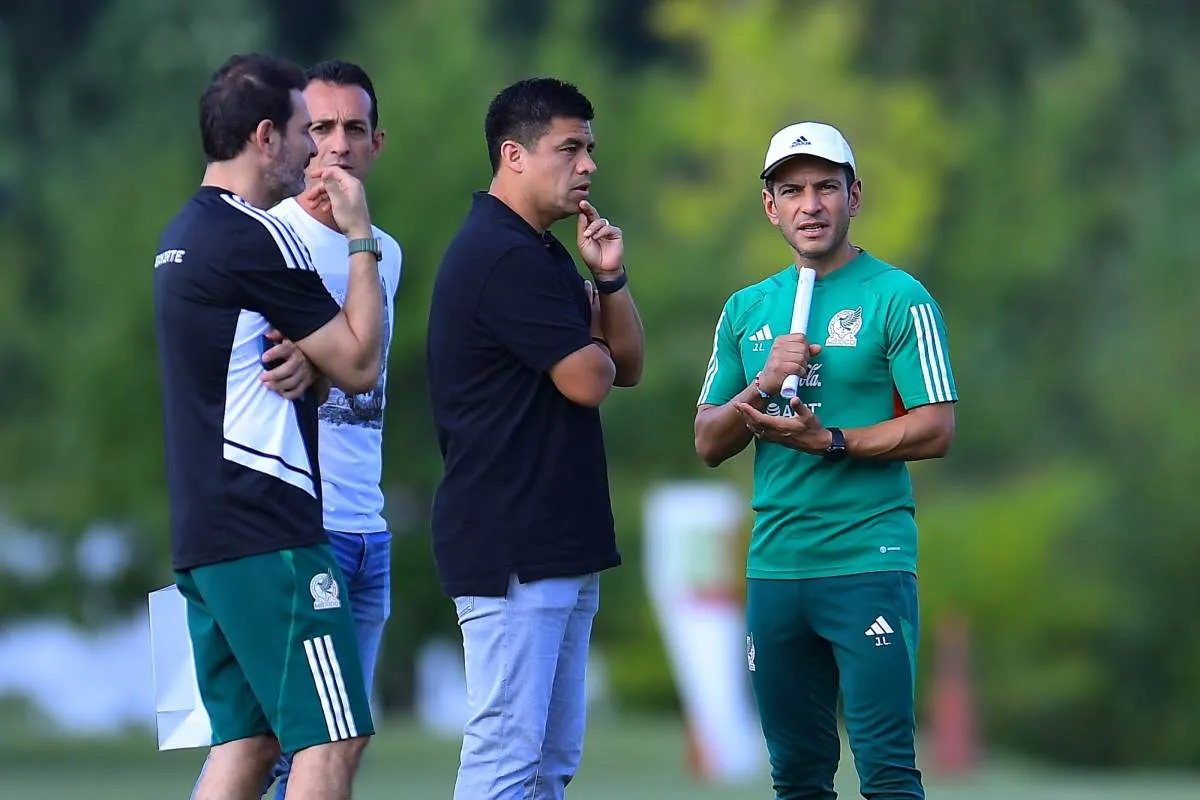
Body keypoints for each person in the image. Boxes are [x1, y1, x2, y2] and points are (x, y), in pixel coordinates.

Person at [693, 121, 958, 800]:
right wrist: (761, 380)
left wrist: (833, 440)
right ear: (770, 205)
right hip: (777, 567)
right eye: (791, 190)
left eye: (824, 188)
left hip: (868, 561)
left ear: (854, 195)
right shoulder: (747, 308)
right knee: (798, 779)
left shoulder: (899, 297)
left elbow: (935, 427)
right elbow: (708, 441)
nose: (809, 204)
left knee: (889, 774)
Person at [154, 52, 386, 800]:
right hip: (270, 533)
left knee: (247, 744)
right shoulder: (257, 236)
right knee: (332, 735)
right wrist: (359, 239)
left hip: (206, 533)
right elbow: (358, 364)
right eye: (302, 130)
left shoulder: (180, 236)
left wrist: (306, 366)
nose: (317, 149)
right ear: (265, 138)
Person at [425, 77, 644, 800]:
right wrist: (591, 345)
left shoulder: (543, 251)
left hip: (556, 541)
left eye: (591, 150)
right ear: (513, 155)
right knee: (506, 760)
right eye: (570, 149)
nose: (587, 166)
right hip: (512, 544)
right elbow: (589, 380)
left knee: (547, 766)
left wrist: (607, 284)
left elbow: (627, 365)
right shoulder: (502, 254)